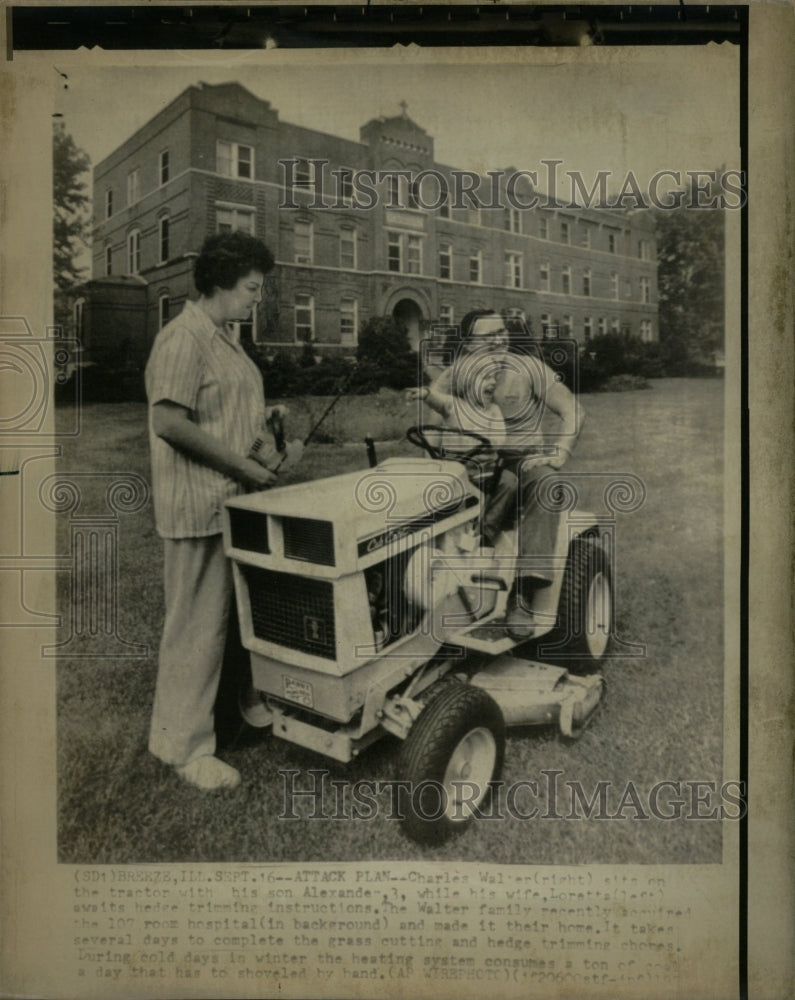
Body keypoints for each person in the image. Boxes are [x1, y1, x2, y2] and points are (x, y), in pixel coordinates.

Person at [145, 231, 299, 792]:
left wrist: (267, 415)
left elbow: (221, 408)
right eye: (252, 288)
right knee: (196, 629)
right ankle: (182, 748)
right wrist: (242, 466)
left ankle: (230, 717)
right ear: (219, 284)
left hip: (231, 504)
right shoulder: (183, 338)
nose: (258, 298)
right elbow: (169, 421)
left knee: (230, 624)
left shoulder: (223, 338)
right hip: (199, 505)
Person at [407, 353, 518, 547]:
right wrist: (424, 394)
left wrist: (489, 439)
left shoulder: (493, 411)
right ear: (467, 382)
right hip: (453, 472)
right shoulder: (454, 405)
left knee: (509, 481)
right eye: (485, 378)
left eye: (494, 378)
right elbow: (437, 400)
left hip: (485, 474)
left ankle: (486, 532)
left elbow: (499, 439)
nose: (492, 383)